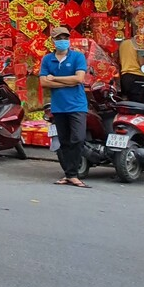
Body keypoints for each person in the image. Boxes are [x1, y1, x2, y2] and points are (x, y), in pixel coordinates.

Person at [41, 26, 90, 188]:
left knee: (78, 138)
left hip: (77, 105)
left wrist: (54, 79)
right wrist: (68, 80)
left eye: (65, 37)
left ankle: (72, 173)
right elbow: (43, 82)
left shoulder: (77, 57)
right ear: (53, 41)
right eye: (59, 38)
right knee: (64, 141)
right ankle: (71, 175)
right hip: (59, 106)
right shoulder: (47, 59)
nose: (63, 41)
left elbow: (80, 79)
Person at [117, 36, 144, 103]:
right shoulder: (139, 43)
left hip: (125, 77)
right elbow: (142, 63)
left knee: (131, 103)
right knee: (139, 105)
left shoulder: (122, 44)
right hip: (137, 76)